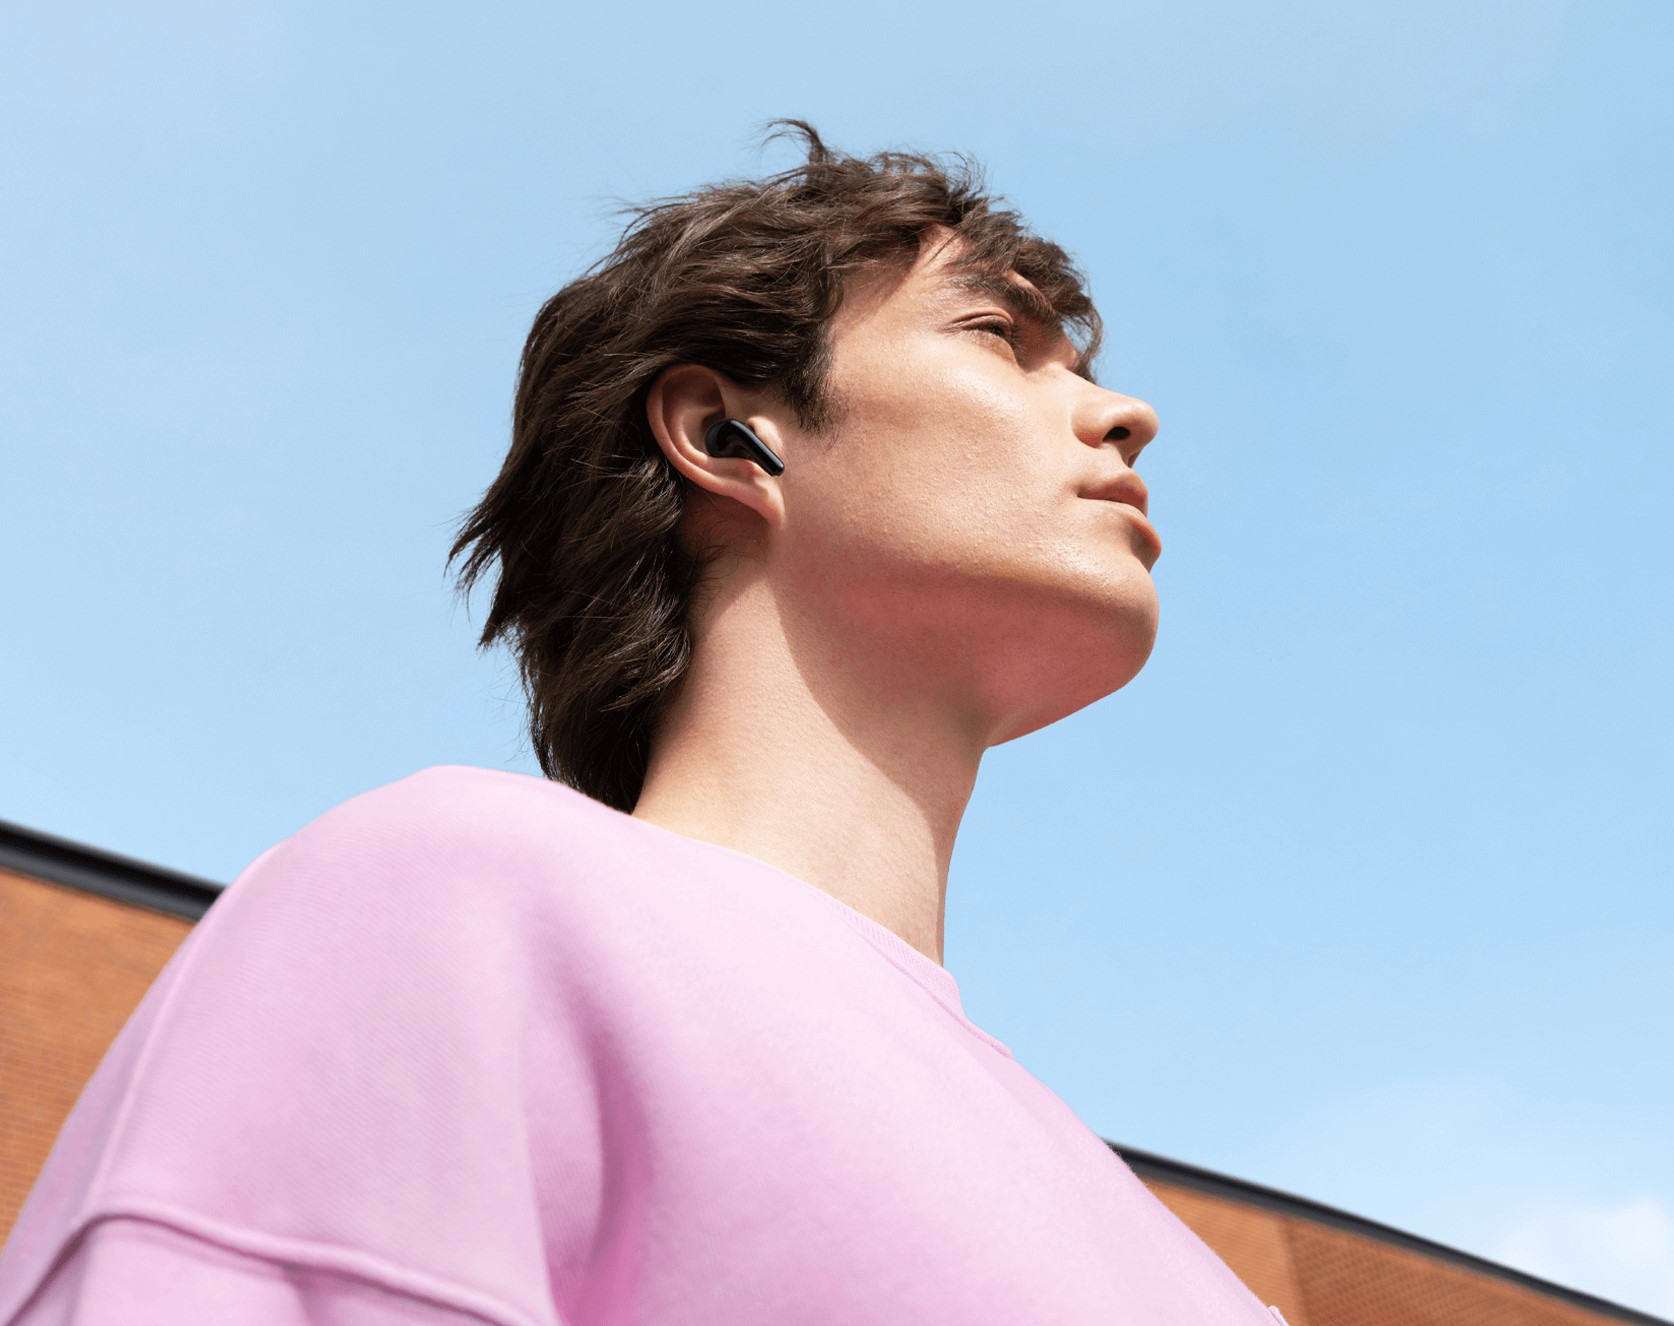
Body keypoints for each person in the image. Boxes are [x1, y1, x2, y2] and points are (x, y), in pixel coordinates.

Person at [0, 123, 1284, 1324]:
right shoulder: (462, 897)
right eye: (998, 337)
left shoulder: (1198, 1276)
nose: (1125, 414)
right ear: (726, 435)